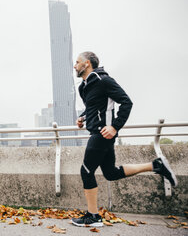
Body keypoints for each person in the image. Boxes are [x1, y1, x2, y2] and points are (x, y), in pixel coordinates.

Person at [70, 51, 177, 227]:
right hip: (98, 133)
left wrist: (114, 127)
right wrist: (82, 118)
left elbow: (126, 102)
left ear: (87, 63)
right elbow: (93, 107)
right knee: (110, 173)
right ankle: (156, 165)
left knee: (86, 171)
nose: (75, 65)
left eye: (77, 62)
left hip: (102, 134)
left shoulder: (104, 80)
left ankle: (93, 216)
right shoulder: (84, 86)